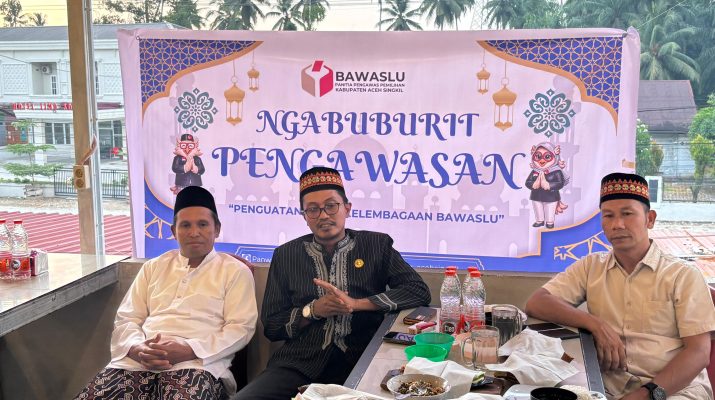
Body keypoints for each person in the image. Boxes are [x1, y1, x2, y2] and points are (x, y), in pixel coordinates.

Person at [233, 166, 431, 400]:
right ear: (304, 216)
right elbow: (273, 325)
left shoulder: (376, 245)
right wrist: (313, 310)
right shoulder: (286, 255)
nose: (323, 215)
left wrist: (356, 304)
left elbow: (418, 290)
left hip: (363, 358)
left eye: (331, 206)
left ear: (347, 208)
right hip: (299, 362)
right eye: (313, 209)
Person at [525, 172, 715, 400]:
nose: (617, 224)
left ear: (650, 219)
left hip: (673, 389)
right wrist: (596, 325)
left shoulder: (683, 276)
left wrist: (646, 395)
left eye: (627, 214)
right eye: (608, 215)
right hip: (608, 385)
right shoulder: (591, 267)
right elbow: (537, 302)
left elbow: (699, 353)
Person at [75, 186, 258, 400]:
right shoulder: (153, 267)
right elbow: (127, 318)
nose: (194, 232)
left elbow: (240, 328)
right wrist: (137, 348)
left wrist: (190, 349)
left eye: (202, 224)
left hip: (198, 365)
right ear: (173, 231)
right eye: (185, 225)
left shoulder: (235, 271)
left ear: (216, 229)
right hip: (135, 363)